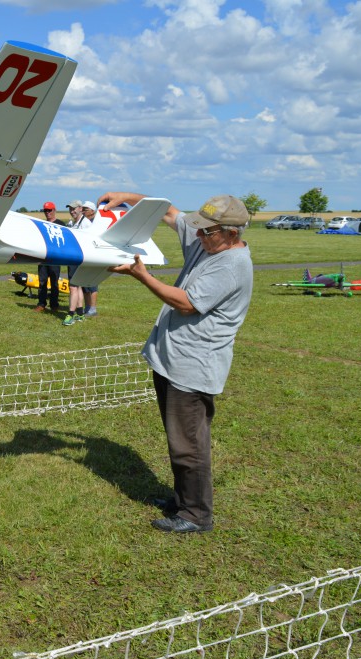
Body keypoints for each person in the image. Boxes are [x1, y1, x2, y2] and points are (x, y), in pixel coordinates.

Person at [103, 192, 253, 534]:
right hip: (172, 359)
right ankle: (182, 500)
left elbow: (186, 303)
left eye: (207, 232)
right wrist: (127, 197)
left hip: (193, 366)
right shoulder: (210, 241)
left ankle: (196, 515)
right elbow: (169, 212)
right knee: (178, 438)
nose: (198, 237)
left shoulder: (232, 265)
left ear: (232, 233)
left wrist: (143, 277)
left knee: (189, 445)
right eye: (199, 229)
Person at [63, 199, 97, 326]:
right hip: (73, 258)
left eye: (74, 209)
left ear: (80, 209)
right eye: (70, 209)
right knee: (77, 287)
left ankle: (70, 315)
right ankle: (80, 313)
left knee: (73, 287)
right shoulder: (71, 223)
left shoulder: (86, 223)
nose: (72, 211)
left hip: (81, 259)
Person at [35, 201, 64, 313]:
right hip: (43, 258)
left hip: (56, 258)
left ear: (54, 210)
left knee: (54, 283)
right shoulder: (42, 224)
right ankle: (41, 304)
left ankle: (54, 305)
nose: (47, 212)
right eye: (45, 210)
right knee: (42, 282)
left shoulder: (60, 224)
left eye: (49, 210)